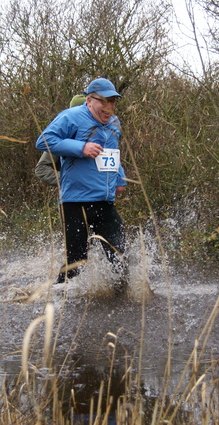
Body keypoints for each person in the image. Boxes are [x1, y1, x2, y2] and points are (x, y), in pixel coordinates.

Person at [36, 78, 128, 291]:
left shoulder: (114, 123)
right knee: (77, 260)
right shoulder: (71, 117)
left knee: (121, 256)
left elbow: (112, 152)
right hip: (76, 203)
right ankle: (55, 295)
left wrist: (120, 177)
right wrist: (81, 148)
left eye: (113, 102)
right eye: (104, 101)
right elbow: (43, 141)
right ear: (89, 100)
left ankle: (122, 301)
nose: (109, 107)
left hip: (105, 201)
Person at [34, 94, 86, 186]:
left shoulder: (100, 134)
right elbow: (41, 169)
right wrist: (67, 180)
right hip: (72, 196)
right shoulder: (62, 139)